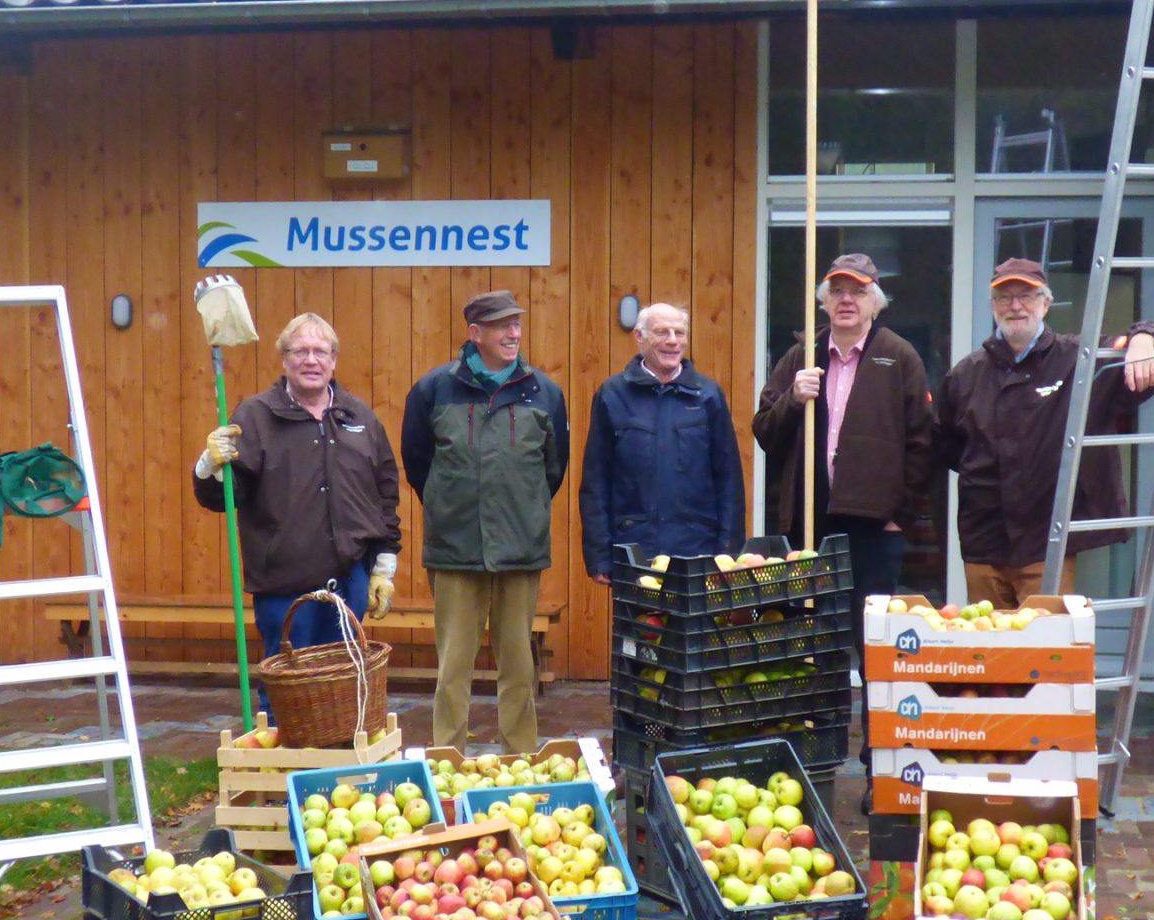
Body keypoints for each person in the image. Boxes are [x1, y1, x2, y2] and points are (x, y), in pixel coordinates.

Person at [936, 257, 1154, 607]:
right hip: (982, 542)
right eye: (1004, 297)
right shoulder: (966, 375)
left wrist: (1145, 338)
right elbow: (946, 445)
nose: (1015, 306)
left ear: (1046, 303)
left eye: (1027, 295)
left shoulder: (1079, 360)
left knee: (1044, 652)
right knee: (986, 653)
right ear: (992, 306)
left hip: (1046, 541)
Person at [400, 289, 569, 753]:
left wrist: (522, 510)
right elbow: (417, 463)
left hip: (520, 550)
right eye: (501, 326)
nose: (513, 333)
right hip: (455, 550)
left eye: (516, 324)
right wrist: (447, 504)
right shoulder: (433, 390)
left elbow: (553, 469)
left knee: (519, 666)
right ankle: (447, 759)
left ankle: (520, 756)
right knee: (453, 667)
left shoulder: (544, 392)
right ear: (475, 334)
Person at [192, 312, 401, 689]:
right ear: (284, 359)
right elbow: (223, 497)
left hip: (350, 579)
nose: (311, 360)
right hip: (284, 585)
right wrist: (209, 465)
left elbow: (385, 491)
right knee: (288, 690)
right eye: (300, 351)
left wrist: (384, 566)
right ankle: (283, 748)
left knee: (344, 689)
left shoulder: (360, 418)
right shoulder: (255, 417)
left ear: (334, 360)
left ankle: (342, 749)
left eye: (320, 351)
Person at [752, 252, 935, 666]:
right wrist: (793, 400)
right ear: (824, 301)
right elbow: (764, 430)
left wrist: (899, 514)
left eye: (858, 291)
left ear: (876, 302)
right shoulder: (802, 356)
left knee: (873, 643)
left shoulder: (899, 355)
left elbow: (923, 443)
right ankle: (821, 729)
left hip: (873, 525)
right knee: (814, 641)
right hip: (811, 523)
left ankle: (877, 730)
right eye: (837, 291)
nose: (847, 299)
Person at [579, 302, 745, 585]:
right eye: (662, 332)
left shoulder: (708, 396)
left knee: (695, 630)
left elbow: (729, 481)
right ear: (640, 337)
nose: (672, 341)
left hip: (697, 552)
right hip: (634, 551)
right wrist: (599, 557)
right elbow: (596, 482)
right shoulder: (612, 395)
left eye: (679, 333)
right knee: (641, 629)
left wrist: (727, 550)